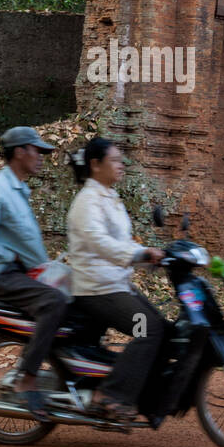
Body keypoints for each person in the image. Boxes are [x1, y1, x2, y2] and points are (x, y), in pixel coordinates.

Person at [0, 126, 68, 422]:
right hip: (1, 274)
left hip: (21, 271)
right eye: (36, 151)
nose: (41, 158)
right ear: (20, 152)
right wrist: (9, 256)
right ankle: (27, 377)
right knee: (53, 303)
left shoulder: (20, 189)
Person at [67, 137, 168, 423]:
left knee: (164, 329)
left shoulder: (110, 197)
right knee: (148, 329)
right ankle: (110, 396)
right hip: (96, 289)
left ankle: (142, 395)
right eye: (114, 160)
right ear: (95, 164)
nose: (120, 165)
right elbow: (101, 244)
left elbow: (122, 242)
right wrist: (138, 254)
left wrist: (149, 256)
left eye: (121, 160)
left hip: (116, 284)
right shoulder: (87, 202)